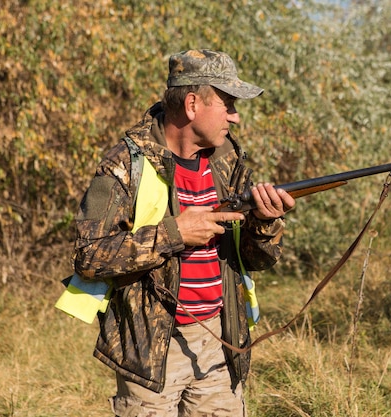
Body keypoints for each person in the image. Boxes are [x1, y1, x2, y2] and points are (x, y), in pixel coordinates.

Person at [73, 49, 295, 416]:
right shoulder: (126, 165)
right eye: (228, 103)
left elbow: (258, 259)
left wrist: (266, 223)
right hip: (151, 352)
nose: (236, 117)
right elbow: (89, 256)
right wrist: (173, 233)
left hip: (221, 341)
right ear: (192, 104)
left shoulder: (228, 162)